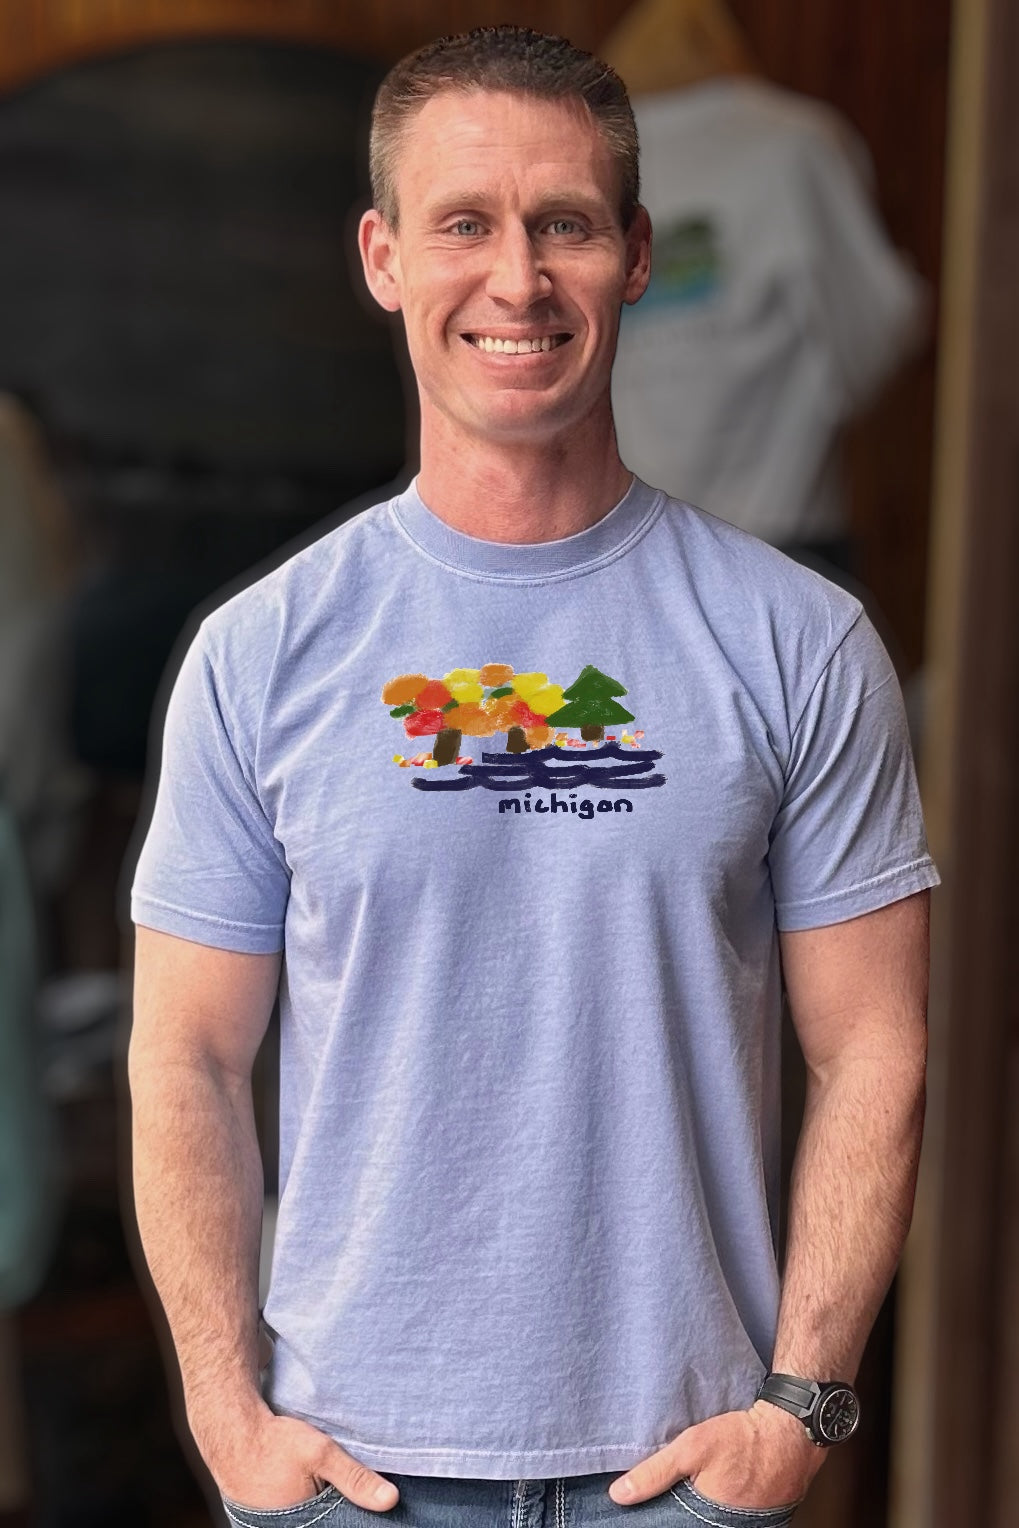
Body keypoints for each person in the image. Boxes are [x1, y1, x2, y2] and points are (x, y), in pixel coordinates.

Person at [128, 25, 938, 1528]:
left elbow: (876, 1046)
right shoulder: (263, 654)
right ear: (382, 258)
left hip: (681, 1476)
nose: (518, 279)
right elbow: (185, 1055)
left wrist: (803, 1404)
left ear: (635, 255)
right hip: (348, 1481)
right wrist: (226, 1412)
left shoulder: (799, 642)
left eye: (564, 224)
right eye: (465, 225)